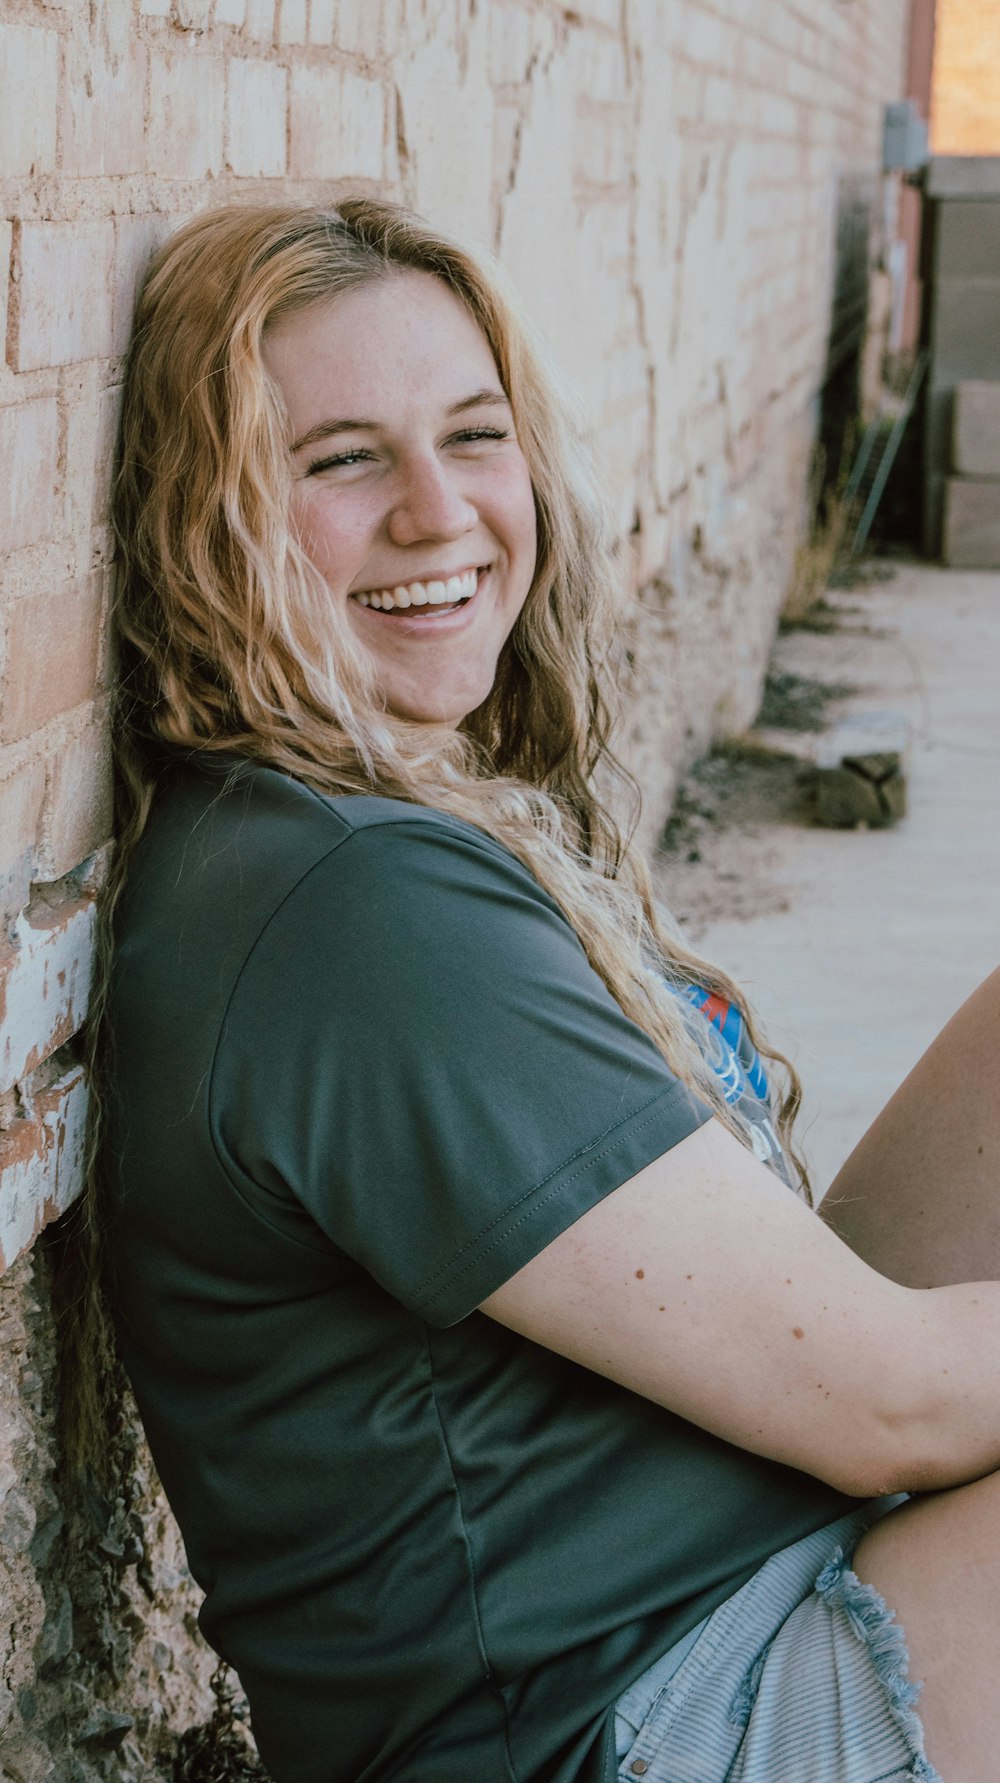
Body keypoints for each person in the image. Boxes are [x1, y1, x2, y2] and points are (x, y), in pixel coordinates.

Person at [86, 198, 1000, 1783]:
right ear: (209, 516)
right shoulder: (352, 912)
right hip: (646, 1716)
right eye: (340, 460)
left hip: (748, 1535)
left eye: (473, 434)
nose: (440, 513)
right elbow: (887, 1414)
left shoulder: (349, 827)